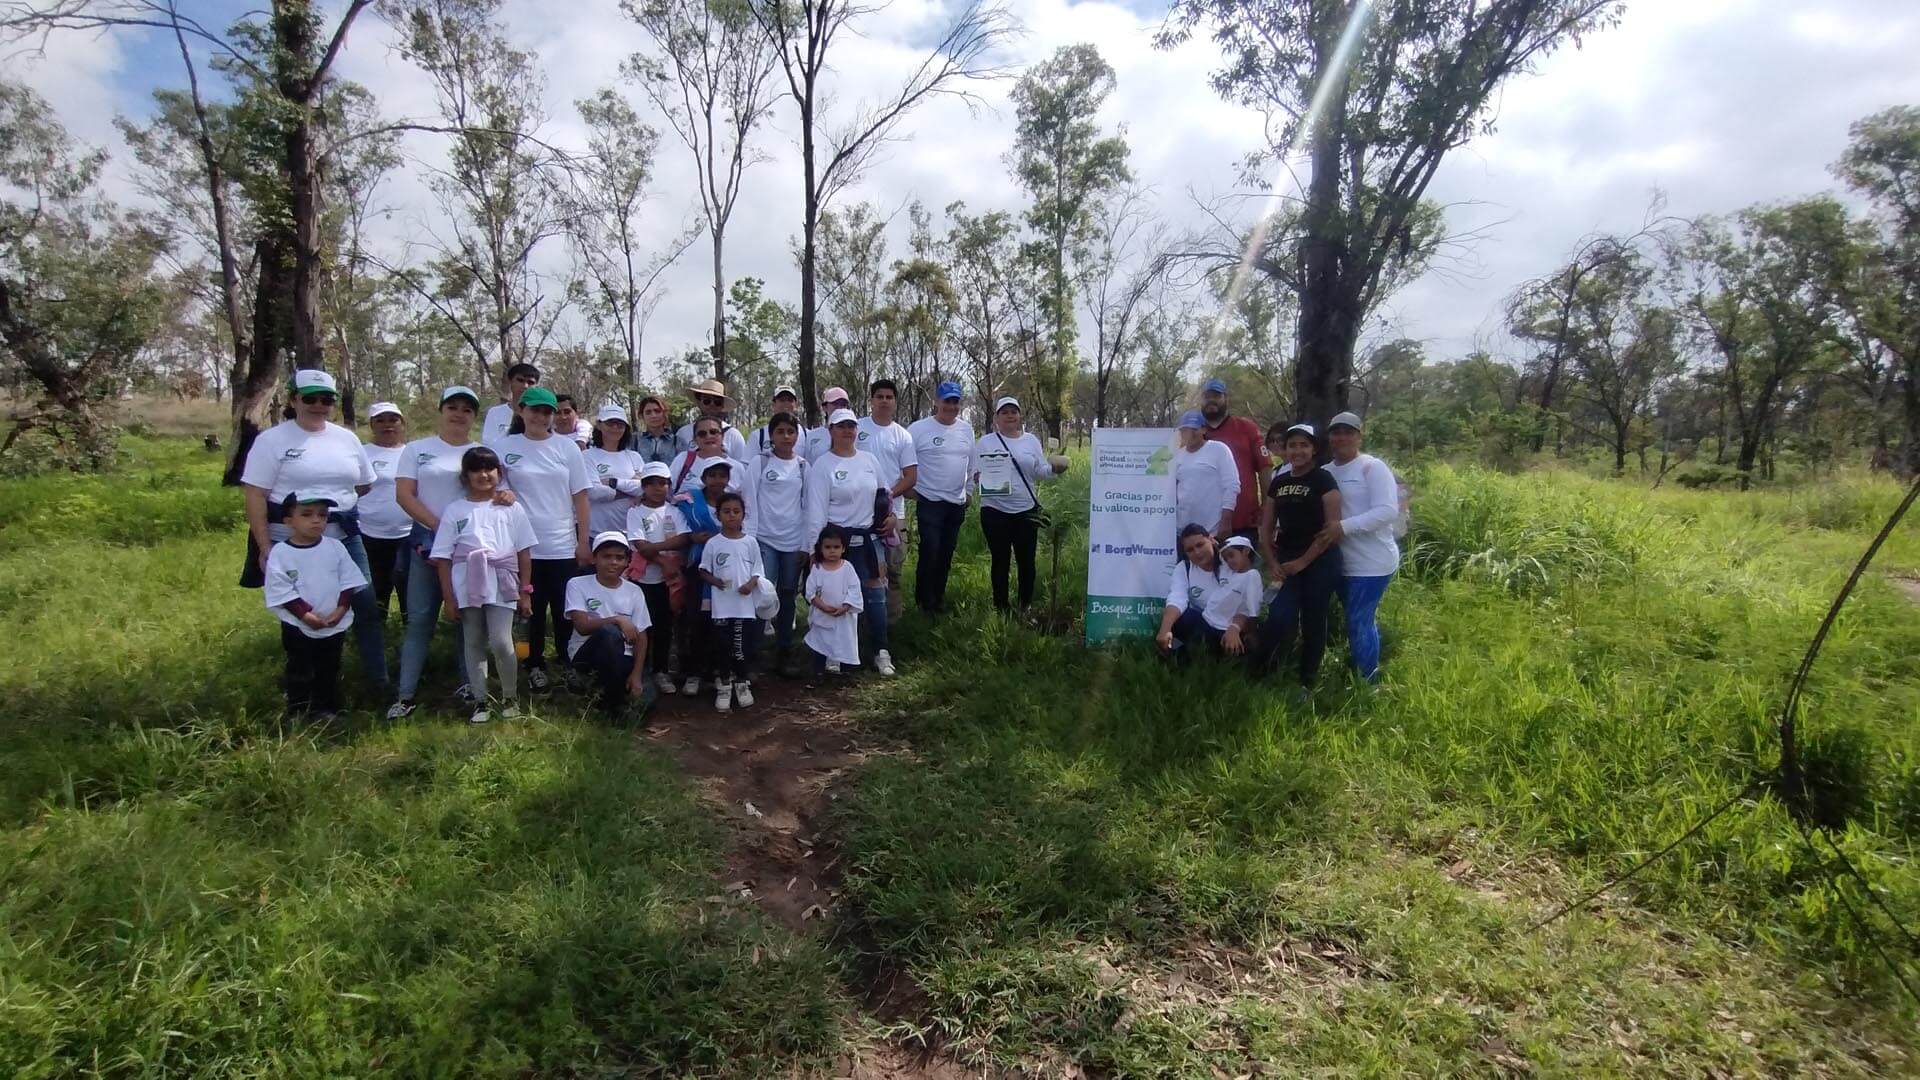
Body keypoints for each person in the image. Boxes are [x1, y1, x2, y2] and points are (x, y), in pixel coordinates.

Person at [240, 368, 387, 697]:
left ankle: (377, 681)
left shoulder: (345, 438)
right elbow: (255, 495)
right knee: (302, 612)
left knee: (363, 603)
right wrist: (266, 547)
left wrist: (331, 509)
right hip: (290, 540)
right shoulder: (273, 441)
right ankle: (305, 690)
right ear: (293, 400)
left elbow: (362, 484)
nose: (319, 405)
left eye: (327, 399)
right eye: (310, 398)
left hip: (343, 536)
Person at [389, 385, 491, 720]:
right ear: (441, 410)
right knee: (420, 620)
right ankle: (405, 695)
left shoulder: (480, 451)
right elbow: (404, 495)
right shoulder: (418, 450)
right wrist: (439, 527)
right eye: (453, 407)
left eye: (467, 409)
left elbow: (495, 490)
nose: (459, 414)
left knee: (469, 622)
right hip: (427, 542)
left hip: (470, 549)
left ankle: (471, 687)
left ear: (473, 417)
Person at [429, 446, 536, 725]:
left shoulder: (511, 508)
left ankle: (510, 696)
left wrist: (526, 592)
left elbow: (524, 552)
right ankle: (480, 700)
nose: (483, 475)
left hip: (502, 582)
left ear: (499, 474)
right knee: (473, 641)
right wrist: (449, 598)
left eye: (489, 469)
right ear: (465, 476)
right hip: (467, 583)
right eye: (476, 469)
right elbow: (442, 558)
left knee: (502, 641)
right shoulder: (455, 510)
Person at [494, 386, 591, 691]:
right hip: (523, 547)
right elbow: (492, 488)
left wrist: (583, 541)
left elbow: (581, 497)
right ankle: (534, 664)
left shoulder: (567, 449)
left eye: (547, 411)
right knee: (529, 612)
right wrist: (501, 493)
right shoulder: (503, 446)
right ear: (521, 410)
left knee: (565, 611)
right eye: (534, 409)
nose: (541, 416)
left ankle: (569, 663)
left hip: (562, 544)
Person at [805, 407, 896, 675]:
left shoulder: (870, 460)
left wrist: (891, 519)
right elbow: (816, 511)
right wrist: (815, 550)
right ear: (831, 430)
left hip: (869, 541)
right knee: (834, 598)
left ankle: (880, 651)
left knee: (875, 596)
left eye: (851, 426)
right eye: (841, 426)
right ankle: (833, 652)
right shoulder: (823, 465)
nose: (847, 431)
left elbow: (884, 495)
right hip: (835, 544)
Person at [264, 493, 367, 720]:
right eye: (307, 515)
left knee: (329, 666)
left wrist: (340, 610)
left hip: (334, 621)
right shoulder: (281, 553)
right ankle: (298, 710)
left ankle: (325, 707)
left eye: (322, 515)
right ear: (288, 521)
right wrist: (306, 616)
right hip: (298, 624)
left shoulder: (335, 547)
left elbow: (349, 580)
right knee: (300, 668)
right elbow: (282, 589)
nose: (316, 520)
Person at [1258, 422, 1343, 688]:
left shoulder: (1324, 480)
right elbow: (1266, 526)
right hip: (1286, 559)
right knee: (1279, 616)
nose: (1297, 451)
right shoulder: (1279, 482)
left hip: (1320, 559)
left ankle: (1307, 681)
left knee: (1313, 619)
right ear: (1284, 450)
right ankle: (1265, 672)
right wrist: (1273, 563)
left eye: (1303, 445)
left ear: (1314, 449)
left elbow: (1331, 530)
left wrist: (1303, 562)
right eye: (1292, 445)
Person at [1321, 411, 1401, 682]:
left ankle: (1367, 682)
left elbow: (1388, 511)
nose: (1341, 437)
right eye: (1336, 432)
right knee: (1359, 619)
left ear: (1359, 435)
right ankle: (1363, 665)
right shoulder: (1325, 472)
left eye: (1348, 432)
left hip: (1372, 563)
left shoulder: (1372, 467)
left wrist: (1343, 527)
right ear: (1329, 437)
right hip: (1340, 563)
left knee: (1358, 620)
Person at [972, 396, 1067, 613]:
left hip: (1026, 510)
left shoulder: (1031, 441)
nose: (1009, 416)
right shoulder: (986, 442)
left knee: (1027, 562)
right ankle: (1001, 607)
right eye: (1004, 412)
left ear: (1019, 416)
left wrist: (1055, 469)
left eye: (1013, 411)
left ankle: (1026, 605)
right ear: (996, 417)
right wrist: (982, 477)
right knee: (1000, 561)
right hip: (994, 511)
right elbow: (976, 473)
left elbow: (1039, 471)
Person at [566, 532, 654, 724]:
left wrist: (636, 674)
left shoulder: (634, 591)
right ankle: (610, 705)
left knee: (647, 699)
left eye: (619, 557)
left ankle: (616, 700)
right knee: (609, 634)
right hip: (588, 655)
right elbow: (581, 626)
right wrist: (617, 619)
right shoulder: (577, 584)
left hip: (625, 657)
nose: (613, 562)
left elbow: (642, 635)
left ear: (627, 562)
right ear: (594, 559)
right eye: (606, 556)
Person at [745, 411, 809, 674]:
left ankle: (784, 653)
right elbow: (749, 502)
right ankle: (753, 654)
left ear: (797, 436)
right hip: (764, 540)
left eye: (791, 432)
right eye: (780, 431)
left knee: (787, 594)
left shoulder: (804, 466)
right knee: (763, 595)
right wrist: (749, 541)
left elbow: (809, 507)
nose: (786, 436)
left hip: (793, 541)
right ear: (771, 435)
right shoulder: (759, 464)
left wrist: (806, 544)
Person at [907, 381, 973, 614]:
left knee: (946, 552)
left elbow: (971, 463)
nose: (951, 406)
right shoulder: (918, 429)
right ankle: (924, 600)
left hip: (956, 503)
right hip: (929, 502)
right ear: (936, 402)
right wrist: (908, 489)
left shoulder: (966, 429)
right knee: (930, 550)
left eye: (955, 402)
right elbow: (904, 460)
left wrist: (970, 491)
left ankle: (938, 598)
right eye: (947, 401)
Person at [625, 461, 687, 697]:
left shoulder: (675, 511)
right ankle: (642, 670)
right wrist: (664, 561)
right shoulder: (635, 512)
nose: (657, 488)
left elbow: (683, 538)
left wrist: (657, 548)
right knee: (643, 628)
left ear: (669, 485)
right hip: (643, 581)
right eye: (650, 483)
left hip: (669, 583)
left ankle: (661, 669)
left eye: (662, 483)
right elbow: (640, 546)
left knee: (664, 626)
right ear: (643, 486)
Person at [857, 379, 919, 612]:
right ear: (871, 400)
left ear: (895, 402)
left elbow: (910, 476)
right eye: (879, 396)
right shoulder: (856, 428)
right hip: (858, 513)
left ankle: (891, 626)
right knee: (863, 571)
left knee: (892, 572)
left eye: (889, 397)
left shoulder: (903, 436)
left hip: (894, 514)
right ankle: (861, 623)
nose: (884, 400)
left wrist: (886, 496)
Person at [699, 491, 764, 712]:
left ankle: (742, 683)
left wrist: (751, 584)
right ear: (718, 515)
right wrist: (715, 581)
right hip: (721, 608)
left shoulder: (751, 543)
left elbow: (758, 571)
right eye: (726, 512)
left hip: (744, 607)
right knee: (722, 646)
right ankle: (724, 686)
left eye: (736, 511)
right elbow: (703, 570)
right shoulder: (713, 543)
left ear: (743, 515)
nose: (732, 516)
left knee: (740, 647)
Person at [1154, 526, 1257, 659]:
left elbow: (1246, 602)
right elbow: (1177, 598)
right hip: (1204, 626)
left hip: (1234, 628)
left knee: (1253, 658)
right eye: (1190, 550)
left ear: (1211, 540)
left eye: (1200, 545)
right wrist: (1165, 630)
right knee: (1179, 620)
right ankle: (1182, 656)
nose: (1197, 552)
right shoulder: (1184, 568)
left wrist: (1234, 628)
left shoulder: (1231, 562)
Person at [676, 458, 731, 695]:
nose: (717, 480)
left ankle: (719, 671)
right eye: (712, 475)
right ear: (703, 478)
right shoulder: (689, 501)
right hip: (697, 569)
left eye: (722, 475)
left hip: (727, 571)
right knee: (696, 620)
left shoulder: (733, 503)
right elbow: (679, 526)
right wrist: (692, 538)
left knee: (722, 622)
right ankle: (693, 672)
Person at [358, 401, 413, 620]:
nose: (387, 425)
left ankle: (409, 633)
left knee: (407, 586)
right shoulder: (362, 452)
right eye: (380, 420)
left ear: (402, 423)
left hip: (407, 533)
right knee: (376, 589)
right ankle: (376, 637)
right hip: (369, 533)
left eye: (393, 420)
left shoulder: (414, 453)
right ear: (372, 425)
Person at [1197, 378, 1272, 543]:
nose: (1211, 400)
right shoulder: (1195, 433)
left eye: (1216, 396)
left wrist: (1266, 505)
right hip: (1205, 526)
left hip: (1243, 521)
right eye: (1207, 396)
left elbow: (1265, 467)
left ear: (1226, 399)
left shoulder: (1246, 428)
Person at [804, 524, 863, 678]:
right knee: (820, 642)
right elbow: (810, 592)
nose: (832, 551)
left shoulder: (847, 568)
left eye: (836, 547)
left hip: (843, 616)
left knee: (844, 641)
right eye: (828, 547)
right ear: (821, 548)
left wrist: (846, 606)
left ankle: (846, 672)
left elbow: (854, 589)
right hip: (823, 614)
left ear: (843, 548)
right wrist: (822, 606)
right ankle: (818, 671)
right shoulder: (817, 569)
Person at [1171, 409, 1241, 540]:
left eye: (1194, 429)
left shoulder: (1219, 449)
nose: (1190, 434)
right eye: (1185, 430)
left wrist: (1226, 521)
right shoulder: (1177, 456)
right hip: (1183, 533)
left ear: (1204, 429)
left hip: (1212, 532)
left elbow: (1232, 486)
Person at [583, 403, 644, 537]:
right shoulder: (587, 456)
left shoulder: (634, 457)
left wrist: (613, 482)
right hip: (597, 533)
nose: (615, 428)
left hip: (631, 533)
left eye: (620, 424)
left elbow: (643, 488)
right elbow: (594, 492)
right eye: (610, 423)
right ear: (599, 425)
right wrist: (629, 492)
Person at [670, 416, 748, 498]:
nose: (708, 436)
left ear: (723, 436)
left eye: (713, 432)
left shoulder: (737, 467)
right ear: (694, 439)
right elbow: (668, 490)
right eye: (702, 434)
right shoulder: (683, 459)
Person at [676, 378, 750, 460]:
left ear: (722, 406)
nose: (712, 405)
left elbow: (741, 468)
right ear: (699, 403)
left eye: (717, 402)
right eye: (707, 401)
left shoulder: (734, 436)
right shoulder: (683, 433)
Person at [483, 362, 540, 446]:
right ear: (510, 382)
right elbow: (487, 444)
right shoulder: (495, 412)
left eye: (530, 382)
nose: (525, 386)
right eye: (520, 380)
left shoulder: (541, 415)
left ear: (536, 386)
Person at [745, 386, 809, 456]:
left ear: (796, 405)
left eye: (790, 400)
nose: (786, 403)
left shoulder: (808, 435)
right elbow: (747, 465)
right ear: (773, 405)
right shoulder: (758, 436)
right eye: (782, 400)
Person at [802, 386, 851, 461]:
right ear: (824, 407)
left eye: (843, 404)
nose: (839, 407)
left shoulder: (852, 435)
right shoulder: (812, 435)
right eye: (835, 403)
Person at [633, 395, 678, 464]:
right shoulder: (634, 441)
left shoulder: (677, 441)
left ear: (664, 413)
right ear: (642, 416)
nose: (653, 415)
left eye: (657, 411)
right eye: (648, 412)